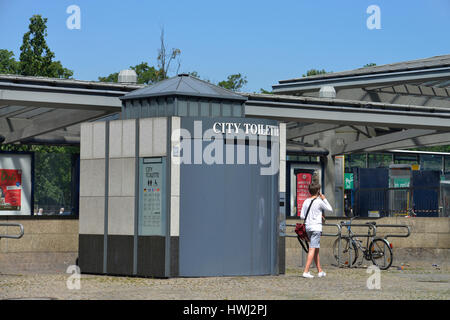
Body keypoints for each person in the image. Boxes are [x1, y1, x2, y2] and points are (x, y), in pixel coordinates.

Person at [300, 182, 333, 278]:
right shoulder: (319, 201)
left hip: (308, 227)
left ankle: (320, 271)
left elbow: (302, 216)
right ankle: (306, 271)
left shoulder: (306, 201)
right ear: (318, 191)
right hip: (316, 228)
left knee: (316, 249)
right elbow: (330, 209)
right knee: (312, 248)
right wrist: (324, 199)